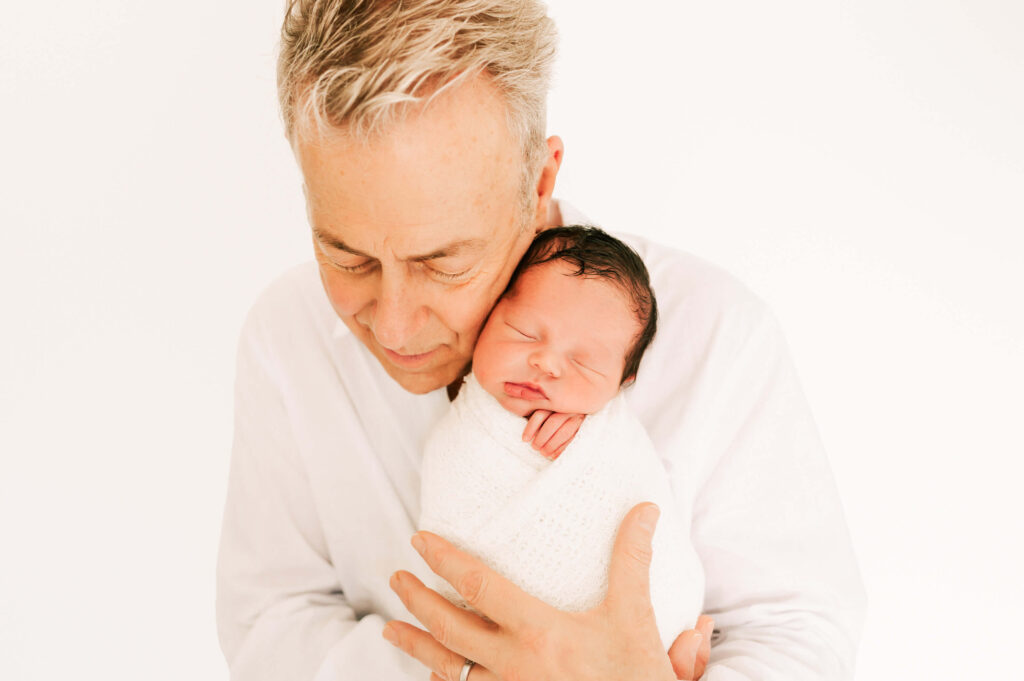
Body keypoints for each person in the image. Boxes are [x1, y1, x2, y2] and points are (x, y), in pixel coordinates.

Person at [215, 1, 867, 680]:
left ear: (540, 183)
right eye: (347, 257)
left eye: (442, 261)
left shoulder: (717, 337)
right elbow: (269, 616)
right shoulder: (284, 337)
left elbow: (800, 631)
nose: (396, 324)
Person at [419, 226, 704, 654]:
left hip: (644, 652)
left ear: (621, 383)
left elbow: (632, 489)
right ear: (486, 318)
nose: (547, 363)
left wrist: (591, 436)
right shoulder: (456, 435)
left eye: (584, 362)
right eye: (524, 332)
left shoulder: (610, 438)